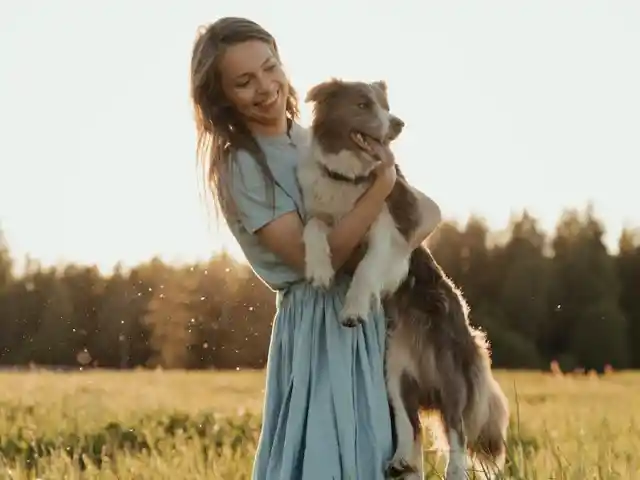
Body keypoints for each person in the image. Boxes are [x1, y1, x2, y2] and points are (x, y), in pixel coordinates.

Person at [189, 17, 441, 480]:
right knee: (331, 456)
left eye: (270, 68)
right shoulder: (244, 166)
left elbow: (422, 215)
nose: (265, 88)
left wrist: (403, 211)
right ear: (222, 96)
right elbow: (313, 261)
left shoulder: (312, 140)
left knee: (381, 454)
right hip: (320, 329)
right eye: (244, 82)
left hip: (369, 315)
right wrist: (381, 187)